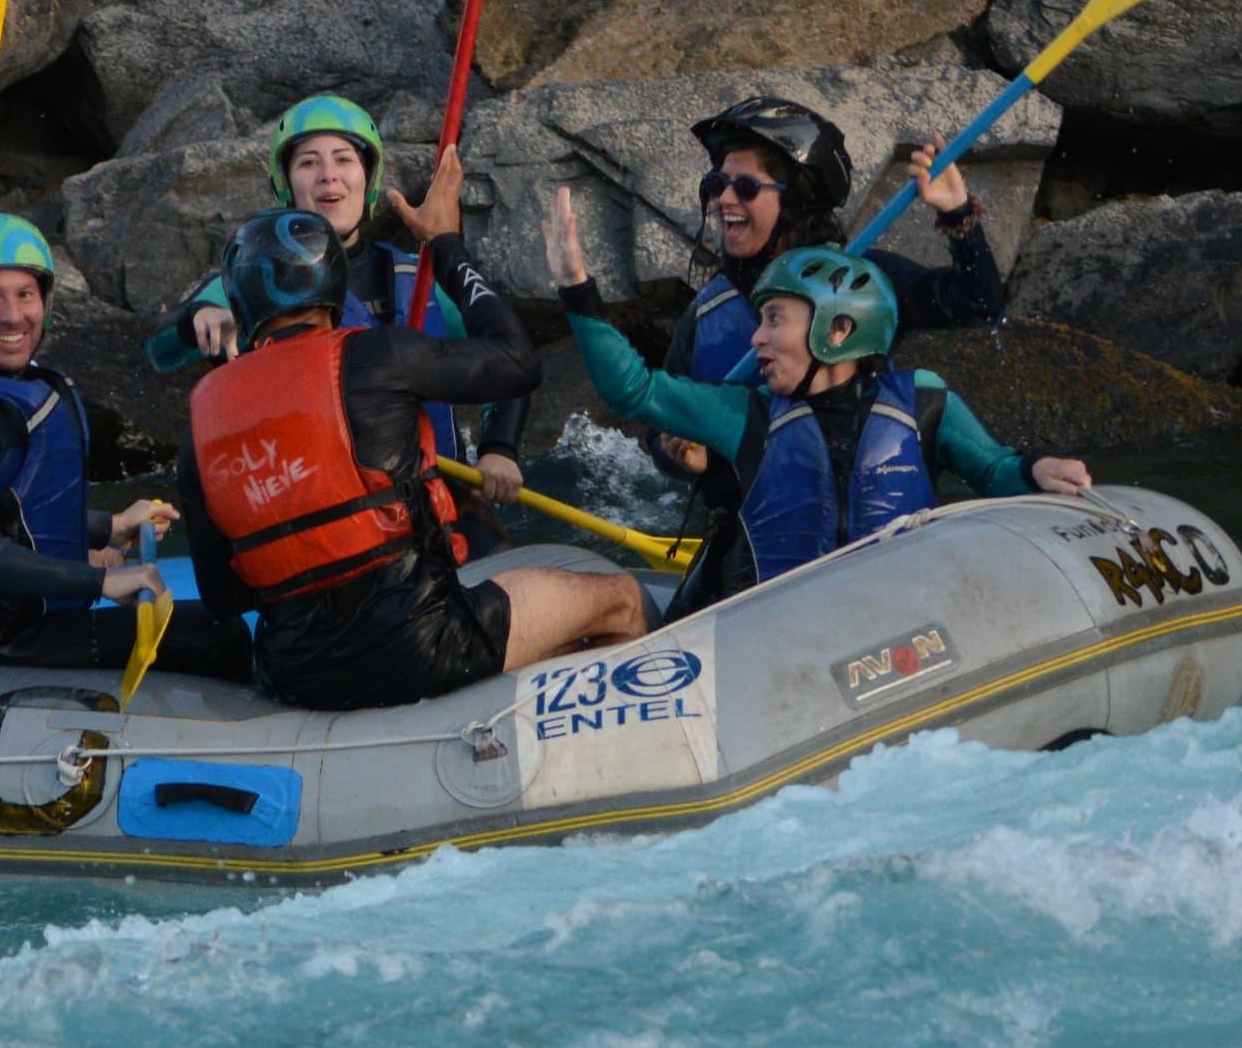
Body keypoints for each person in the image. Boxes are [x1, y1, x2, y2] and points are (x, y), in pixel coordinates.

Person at [178, 158, 648, 711]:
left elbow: (221, 596)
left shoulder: (199, 423)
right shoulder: (376, 354)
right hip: (425, 645)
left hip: (293, 674)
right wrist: (446, 244)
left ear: (242, 302)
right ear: (333, 280)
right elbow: (518, 363)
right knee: (620, 600)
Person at [549, 185, 1090, 601]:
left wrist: (1036, 469)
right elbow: (635, 391)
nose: (756, 337)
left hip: (904, 616)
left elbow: (994, 470)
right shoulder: (745, 415)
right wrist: (577, 287)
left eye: (774, 319)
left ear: (838, 331)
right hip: (778, 629)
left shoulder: (923, 399)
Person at [0, 211, 245, 676]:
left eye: (25, 294)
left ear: (45, 302)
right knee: (218, 635)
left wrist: (107, 527)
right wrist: (100, 580)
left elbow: (15, 511)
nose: (12, 315)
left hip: (14, 622)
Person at [646, 94, 1010, 557]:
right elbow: (655, 426)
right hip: (756, 551)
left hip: (870, 535)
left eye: (746, 187)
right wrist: (676, 453)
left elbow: (979, 305)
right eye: (717, 183)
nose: (724, 199)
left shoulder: (859, 286)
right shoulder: (706, 312)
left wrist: (957, 213)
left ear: (797, 198)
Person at [161, 92, 530, 527]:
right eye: (308, 163)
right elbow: (160, 350)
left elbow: (506, 361)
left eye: (343, 160)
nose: (327, 177)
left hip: (443, 503)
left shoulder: (419, 275)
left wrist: (499, 448)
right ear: (286, 183)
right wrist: (199, 317)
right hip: (336, 514)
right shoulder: (255, 285)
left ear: (367, 177)